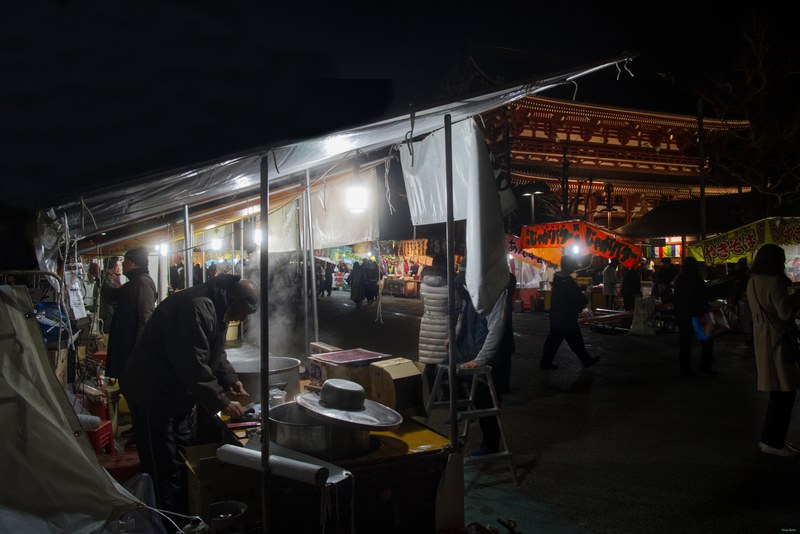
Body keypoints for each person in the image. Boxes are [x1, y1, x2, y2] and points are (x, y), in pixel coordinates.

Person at [121, 274, 259, 512]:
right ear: (233, 299)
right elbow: (193, 364)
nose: (243, 318)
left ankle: (184, 513)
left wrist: (230, 379)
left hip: (175, 395)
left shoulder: (219, 305)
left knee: (184, 457)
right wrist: (222, 402)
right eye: (244, 313)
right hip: (152, 393)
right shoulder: (196, 307)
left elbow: (214, 351)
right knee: (162, 467)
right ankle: (162, 520)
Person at [452, 260, 515, 456]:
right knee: (478, 398)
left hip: (494, 358)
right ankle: (469, 417)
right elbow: (463, 316)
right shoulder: (470, 292)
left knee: (489, 401)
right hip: (476, 352)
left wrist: (481, 359)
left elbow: (496, 330)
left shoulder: (495, 293)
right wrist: (454, 337)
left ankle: (490, 445)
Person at [746, 243, 800, 457]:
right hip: (777, 339)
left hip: (763, 337)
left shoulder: (752, 281)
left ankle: (773, 439)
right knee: (784, 391)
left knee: (778, 390)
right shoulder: (775, 282)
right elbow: (785, 313)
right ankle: (772, 440)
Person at [105, 247, 157, 381]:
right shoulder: (135, 282)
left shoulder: (143, 282)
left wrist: (139, 350)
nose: (122, 264)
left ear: (133, 263)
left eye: (125, 261)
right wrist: (107, 275)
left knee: (131, 386)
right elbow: (111, 295)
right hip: (126, 347)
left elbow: (146, 317)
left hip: (131, 350)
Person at [540, 255, 600, 370]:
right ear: (569, 265)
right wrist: (585, 297)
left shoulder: (558, 279)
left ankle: (545, 362)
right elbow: (577, 298)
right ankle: (586, 360)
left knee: (554, 340)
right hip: (566, 317)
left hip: (558, 315)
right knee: (575, 341)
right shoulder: (566, 281)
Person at [672, 257, 714, 377]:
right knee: (706, 342)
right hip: (699, 316)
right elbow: (704, 297)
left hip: (684, 317)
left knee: (685, 345)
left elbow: (676, 301)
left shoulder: (679, 281)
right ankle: (705, 366)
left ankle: (685, 370)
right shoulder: (698, 281)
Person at [418, 254, 449, 392]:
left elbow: (422, 300)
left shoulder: (423, 285)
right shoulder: (449, 285)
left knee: (429, 361)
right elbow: (455, 305)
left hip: (427, 324)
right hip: (443, 325)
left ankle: (432, 393)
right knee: (443, 361)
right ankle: (444, 391)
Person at [97, 256, 122, 334]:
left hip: (107, 312)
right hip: (107, 313)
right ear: (114, 266)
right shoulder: (107, 279)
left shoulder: (106, 277)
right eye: (119, 265)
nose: (120, 267)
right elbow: (111, 297)